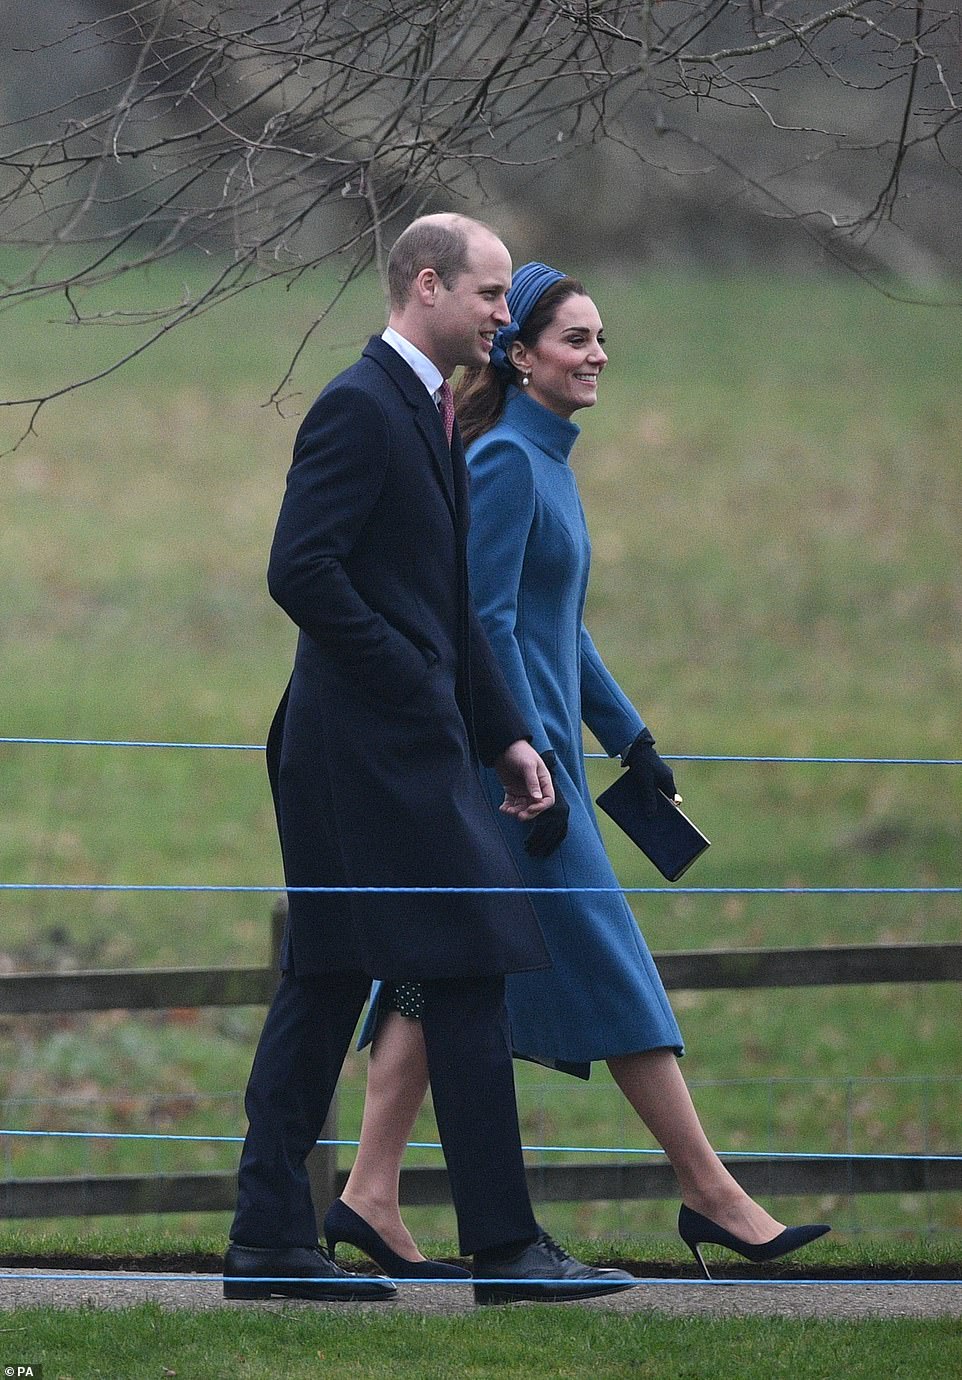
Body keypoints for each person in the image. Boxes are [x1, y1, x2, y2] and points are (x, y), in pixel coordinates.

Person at [330, 262, 830, 1282]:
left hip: (532, 769)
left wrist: (628, 739)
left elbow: (561, 624)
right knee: (608, 968)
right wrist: (537, 761)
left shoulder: (541, 460)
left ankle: (367, 1196)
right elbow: (487, 628)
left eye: (601, 340)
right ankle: (711, 1193)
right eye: (572, 340)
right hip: (518, 786)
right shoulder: (510, 461)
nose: (594, 356)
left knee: (432, 972)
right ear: (518, 356)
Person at [223, 219, 636, 1306]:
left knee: (341, 978)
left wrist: (504, 733)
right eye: (492, 295)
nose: (505, 316)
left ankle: (275, 1239)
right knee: (442, 960)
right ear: (426, 286)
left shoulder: (435, 410)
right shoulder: (360, 408)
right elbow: (298, 572)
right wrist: (415, 686)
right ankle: (498, 1249)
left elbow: (449, 602)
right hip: (353, 752)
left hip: (404, 749)